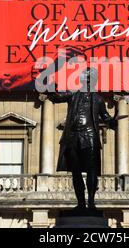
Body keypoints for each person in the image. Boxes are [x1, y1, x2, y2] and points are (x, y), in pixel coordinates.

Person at [47, 67, 117, 211]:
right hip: (72, 136)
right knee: (75, 171)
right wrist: (50, 87)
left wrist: (113, 122)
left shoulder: (98, 99)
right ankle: (81, 203)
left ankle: (91, 202)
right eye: (85, 78)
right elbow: (56, 97)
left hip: (90, 135)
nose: (87, 80)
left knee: (91, 170)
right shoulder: (73, 94)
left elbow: (106, 117)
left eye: (90, 78)